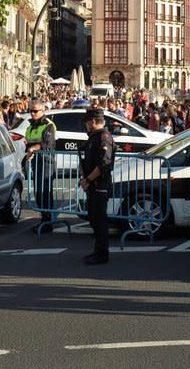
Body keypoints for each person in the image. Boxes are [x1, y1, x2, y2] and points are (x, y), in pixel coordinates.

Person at [79, 108, 115, 265]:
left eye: (87, 122)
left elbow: (103, 165)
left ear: (93, 121)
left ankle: (102, 254)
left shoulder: (104, 137)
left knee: (99, 220)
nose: (85, 125)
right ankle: (97, 251)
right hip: (92, 184)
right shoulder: (93, 137)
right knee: (94, 218)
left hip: (99, 184)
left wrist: (87, 179)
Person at [24, 99, 57, 232]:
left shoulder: (48, 125)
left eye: (35, 111)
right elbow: (28, 143)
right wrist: (29, 150)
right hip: (36, 162)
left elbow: (47, 144)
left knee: (45, 192)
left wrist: (33, 148)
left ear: (43, 111)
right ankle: (44, 219)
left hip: (46, 161)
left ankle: (47, 222)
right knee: (38, 193)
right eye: (31, 111)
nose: (32, 113)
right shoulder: (30, 126)